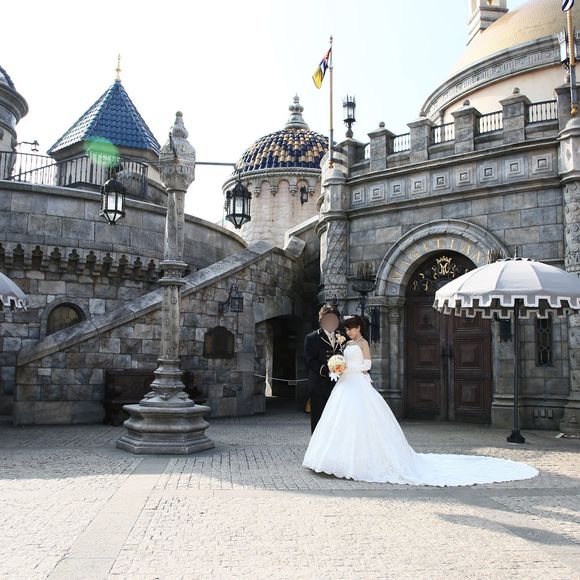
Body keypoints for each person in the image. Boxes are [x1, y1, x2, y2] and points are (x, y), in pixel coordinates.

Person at [303, 315, 539, 486]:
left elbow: (367, 365)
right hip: (345, 385)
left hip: (357, 383)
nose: (348, 331)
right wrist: (339, 366)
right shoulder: (347, 343)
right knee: (340, 421)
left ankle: (361, 461)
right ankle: (333, 459)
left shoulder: (363, 343)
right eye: (347, 328)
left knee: (363, 421)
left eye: (351, 328)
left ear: (358, 328)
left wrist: (349, 368)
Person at [304, 305, 347, 433]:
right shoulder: (312, 338)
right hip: (319, 385)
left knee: (337, 420)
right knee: (319, 420)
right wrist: (327, 370)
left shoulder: (342, 337)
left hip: (339, 385)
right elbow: (310, 360)